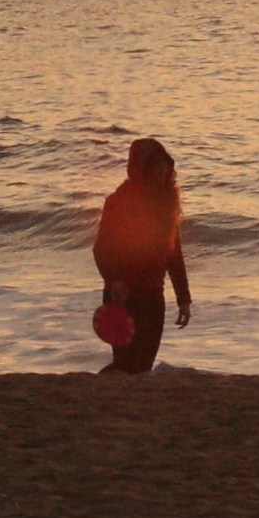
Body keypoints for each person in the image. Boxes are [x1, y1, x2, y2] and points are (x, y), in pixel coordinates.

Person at [92, 137, 193, 374]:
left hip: (153, 297)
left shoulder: (167, 205)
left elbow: (174, 255)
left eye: (165, 167)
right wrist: (114, 281)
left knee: (143, 366)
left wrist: (183, 299)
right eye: (155, 167)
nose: (162, 173)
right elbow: (102, 249)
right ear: (141, 170)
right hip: (123, 296)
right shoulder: (118, 202)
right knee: (125, 365)